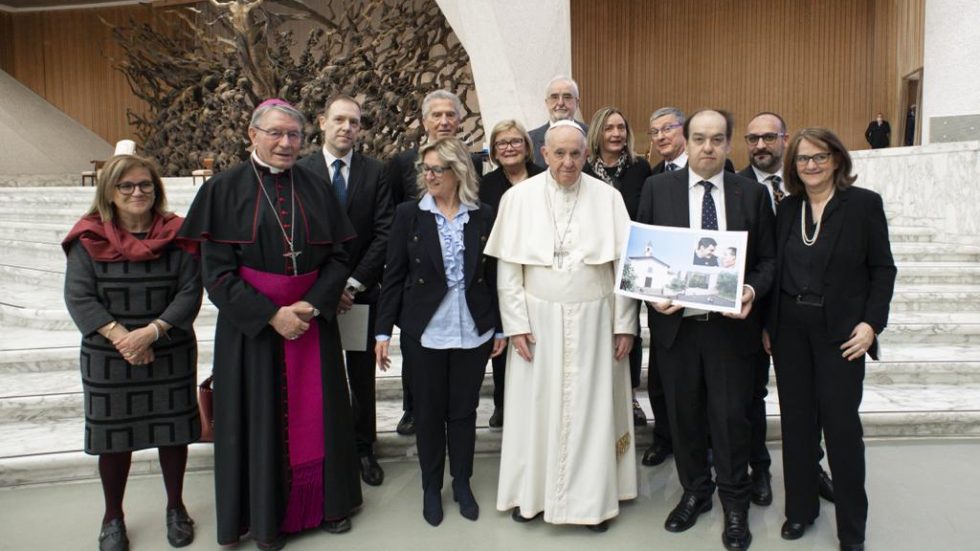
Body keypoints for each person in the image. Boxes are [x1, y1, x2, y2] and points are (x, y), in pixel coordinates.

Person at [178, 99, 362, 550]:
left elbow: (339, 257)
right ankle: (265, 519)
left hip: (311, 324)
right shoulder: (222, 189)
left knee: (322, 418)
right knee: (257, 422)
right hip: (252, 332)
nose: (285, 143)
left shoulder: (316, 186)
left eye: (294, 135)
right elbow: (216, 272)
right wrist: (270, 315)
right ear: (253, 134)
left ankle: (327, 505)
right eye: (276, 133)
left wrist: (312, 306)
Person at [487, 121, 638, 532]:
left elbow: (625, 268)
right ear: (544, 154)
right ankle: (531, 495)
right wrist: (515, 324)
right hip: (538, 323)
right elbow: (508, 270)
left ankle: (591, 503)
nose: (568, 162)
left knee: (592, 410)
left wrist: (625, 324)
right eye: (559, 154)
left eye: (576, 154)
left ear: (586, 155)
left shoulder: (608, 198)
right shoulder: (517, 199)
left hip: (595, 319)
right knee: (535, 409)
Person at [637, 109, 775, 551]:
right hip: (676, 329)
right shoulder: (657, 189)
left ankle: (736, 504)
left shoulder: (750, 194)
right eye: (699, 138)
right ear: (686, 140)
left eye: (717, 139)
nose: (708, 147)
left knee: (732, 419)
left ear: (729, 144)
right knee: (684, 417)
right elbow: (642, 254)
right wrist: (649, 294)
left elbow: (769, 261)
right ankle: (696, 490)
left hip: (730, 332)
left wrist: (751, 289)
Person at [764, 128, 895, 551]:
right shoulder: (788, 209)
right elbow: (777, 269)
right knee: (798, 427)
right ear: (794, 166)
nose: (811, 166)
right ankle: (800, 511)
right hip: (790, 333)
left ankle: (852, 530)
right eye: (803, 159)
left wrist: (871, 324)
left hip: (841, 333)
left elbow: (882, 270)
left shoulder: (863, 205)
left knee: (841, 430)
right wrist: (769, 323)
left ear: (837, 159)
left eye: (820, 157)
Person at [63, 154, 202, 551]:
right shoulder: (88, 236)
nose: (137, 192)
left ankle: (176, 508)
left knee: (173, 433)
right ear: (109, 192)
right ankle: (113, 517)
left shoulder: (178, 234)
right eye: (126, 186)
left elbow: (191, 291)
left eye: (145, 185)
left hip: (169, 347)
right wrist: (124, 338)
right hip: (108, 354)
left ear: (156, 189)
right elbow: (78, 296)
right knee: (113, 438)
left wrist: (151, 333)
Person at [374, 137, 507, 526]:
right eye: (425, 169)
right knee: (430, 414)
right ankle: (431, 488)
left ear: (458, 172)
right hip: (425, 331)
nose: (428, 176)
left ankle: (461, 483)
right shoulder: (408, 215)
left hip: (473, 330)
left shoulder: (482, 215)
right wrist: (383, 333)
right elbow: (393, 275)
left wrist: (499, 326)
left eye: (436, 169)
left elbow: (495, 276)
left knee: (463, 412)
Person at [737, 111, 835, 507]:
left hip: (802, 314)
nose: (760, 145)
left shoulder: (807, 191)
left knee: (808, 398)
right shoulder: (734, 187)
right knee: (751, 396)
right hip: (749, 311)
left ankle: (813, 467)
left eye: (768, 137)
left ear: (785, 139)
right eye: (752, 138)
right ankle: (758, 467)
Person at [296, 94, 393, 487]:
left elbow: (385, 231)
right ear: (322, 122)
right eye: (339, 120)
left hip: (360, 294)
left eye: (353, 122)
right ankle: (322, 447)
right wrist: (325, 289)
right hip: (312, 295)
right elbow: (297, 233)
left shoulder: (376, 172)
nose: (346, 128)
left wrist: (351, 284)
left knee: (360, 374)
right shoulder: (300, 171)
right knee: (315, 373)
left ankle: (364, 446)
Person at [382, 89, 483, 436]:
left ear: (459, 120)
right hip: (419, 269)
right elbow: (394, 214)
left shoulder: (473, 160)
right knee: (418, 352)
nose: (444, 121)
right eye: (436, 115)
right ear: (424, 121)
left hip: (457, 273)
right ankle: (412, 409)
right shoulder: (402, 162)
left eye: (450, 115)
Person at [583, 106, 652, 427]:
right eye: (609, 128)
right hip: (592, 261)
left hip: (631, 259)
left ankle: (631, 395)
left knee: (629, 329)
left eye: (621, 128)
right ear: (598, 132)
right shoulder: (582, 169)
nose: (616, 134)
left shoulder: (641, 168)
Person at [478, 119, 544, 430]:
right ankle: (504, 403)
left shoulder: (546, 178)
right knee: (504, 339)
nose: (508, 147)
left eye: (515, 141)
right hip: (499, 272)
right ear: (493, 150)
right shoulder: (485, 187)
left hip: (541, 269)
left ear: (527, 147)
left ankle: (539, 401)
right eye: (502, 143)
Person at [527, 76, 590, 167]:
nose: (560, 103)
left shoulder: (592, 136)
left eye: (567, 97)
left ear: (577, 102)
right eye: (554, 97)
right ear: (546, 102)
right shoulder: (530, 140)